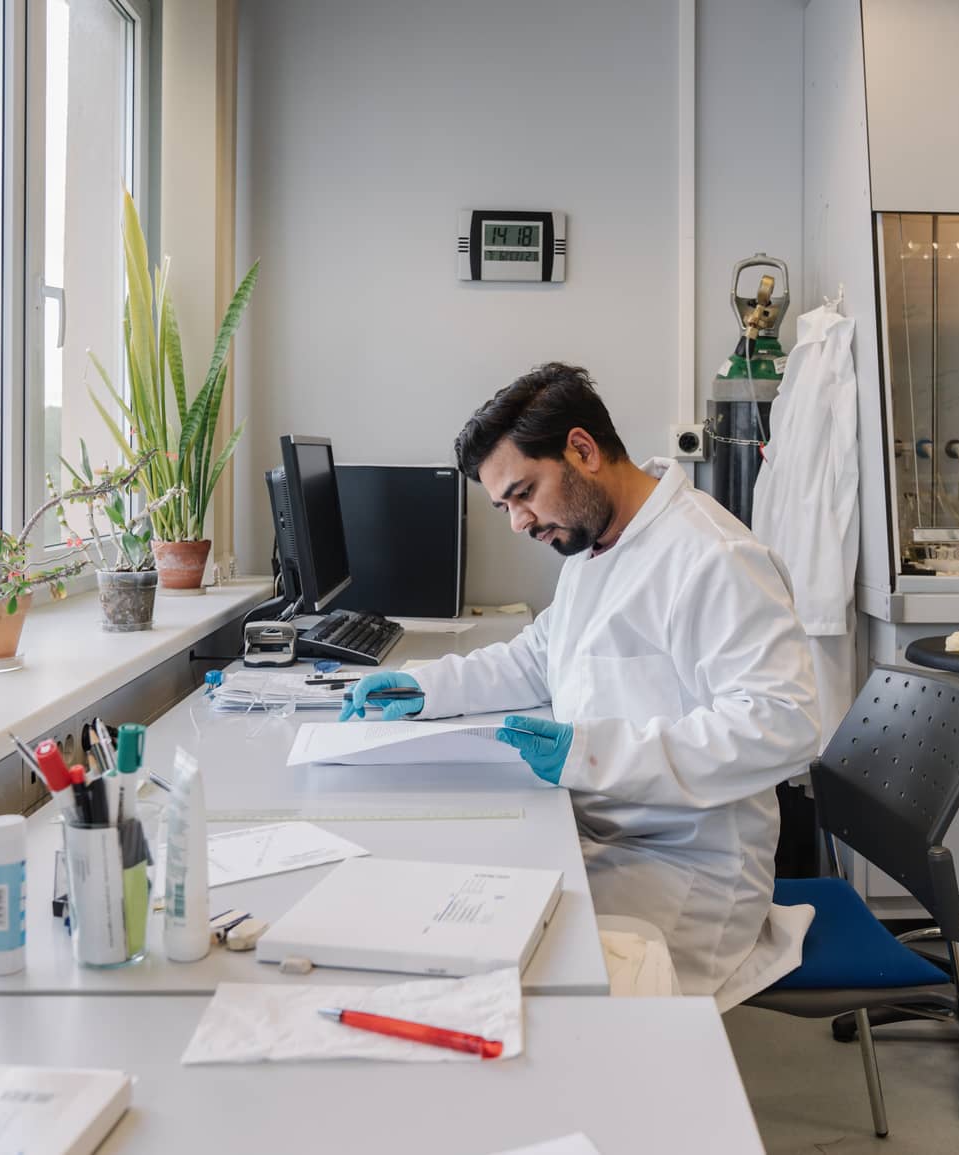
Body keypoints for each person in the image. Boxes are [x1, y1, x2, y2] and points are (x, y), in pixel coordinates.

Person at [341, 362, 820, 1006]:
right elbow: (544, 654)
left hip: (685, 869)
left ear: (582, 450)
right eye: (506, 504)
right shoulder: (597, 544)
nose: (518, 521)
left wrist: (589, 752)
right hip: (601, 835)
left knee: (516, 987)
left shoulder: (712, 558)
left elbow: (784, 724)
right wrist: (429, 688)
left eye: (523, 493)